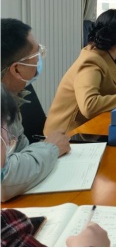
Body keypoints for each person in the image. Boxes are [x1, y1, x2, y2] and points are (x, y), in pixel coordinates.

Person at [1, 86, 111, 247]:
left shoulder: (10, 223)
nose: (5, 159)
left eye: (7, 145)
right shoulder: (9, 228)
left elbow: (22, 151)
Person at [44, 10, 116, 135]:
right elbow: (89, 106)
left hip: (96, 124)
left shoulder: (115, 54)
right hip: (69, 134)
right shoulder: (91, 62)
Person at [0, 19, 71, 201]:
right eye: (37, 54)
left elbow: (21, 150)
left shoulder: (10, 96)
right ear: (16, 69)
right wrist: (51, 148)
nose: (40, 60)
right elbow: (3, 180)